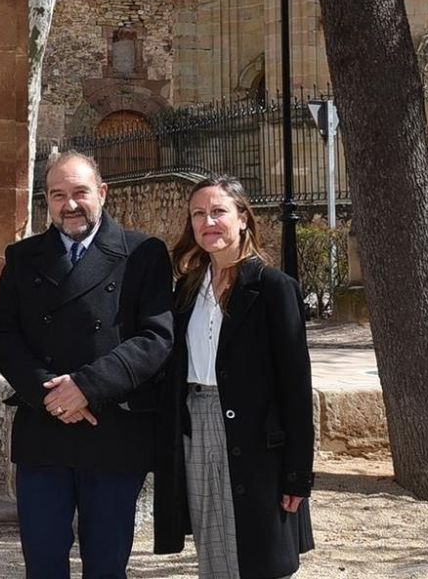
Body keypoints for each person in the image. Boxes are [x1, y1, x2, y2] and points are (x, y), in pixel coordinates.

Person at [0, 150, 173, 579]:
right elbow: (2, 336)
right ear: (46, 201)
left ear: (102, 193)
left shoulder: (142, 252)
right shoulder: (22, 256)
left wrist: (87, 387)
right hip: (44, 426)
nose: (69, 205)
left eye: (79, 193)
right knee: (44, 562)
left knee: (107, 565)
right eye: (58, 195)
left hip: (112, 429)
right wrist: (49, 393)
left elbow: (155, 337)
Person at [153, 176, 314, 579]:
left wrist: (298, 473)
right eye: (198, 214)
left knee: (258, 557)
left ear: (243, 218)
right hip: (196, 426)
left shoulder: (274, 289)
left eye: (219, 211)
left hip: (256, 439)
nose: (208, 221)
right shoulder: (187, 289)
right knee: (214, 547)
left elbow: (296, 387)